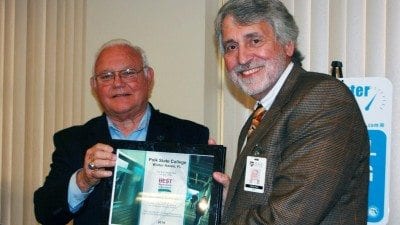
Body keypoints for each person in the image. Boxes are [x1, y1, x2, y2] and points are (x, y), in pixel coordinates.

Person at [212, 0, 370, 224]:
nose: (243, 58)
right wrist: (229, 198)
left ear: (287, 44)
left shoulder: (323, 99)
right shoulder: (259, 116)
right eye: (231, 47)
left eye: (255, 41)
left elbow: (287, 218)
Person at [34, 39, 209, 225]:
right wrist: (83, 181)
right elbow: (46, 213)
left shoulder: (191, 136)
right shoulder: (72, 141)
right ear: (94, 86)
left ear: (149, 77)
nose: (117, 83)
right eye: (106, 76)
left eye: (128, 73)